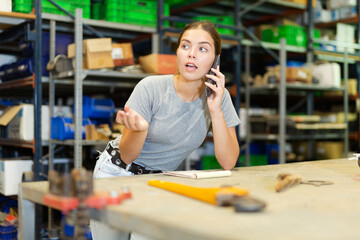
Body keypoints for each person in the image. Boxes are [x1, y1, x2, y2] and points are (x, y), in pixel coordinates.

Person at [90, 20, 241, 240]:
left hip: (157, 182)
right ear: (177, 52)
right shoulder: (150, 87)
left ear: (215, 60)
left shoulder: (220, 97)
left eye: (202, 49)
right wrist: (139, 131)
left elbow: (228, 162)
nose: (192, 54)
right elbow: (127, 154)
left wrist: (215, 110)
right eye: (185, 46)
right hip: (116, 174)